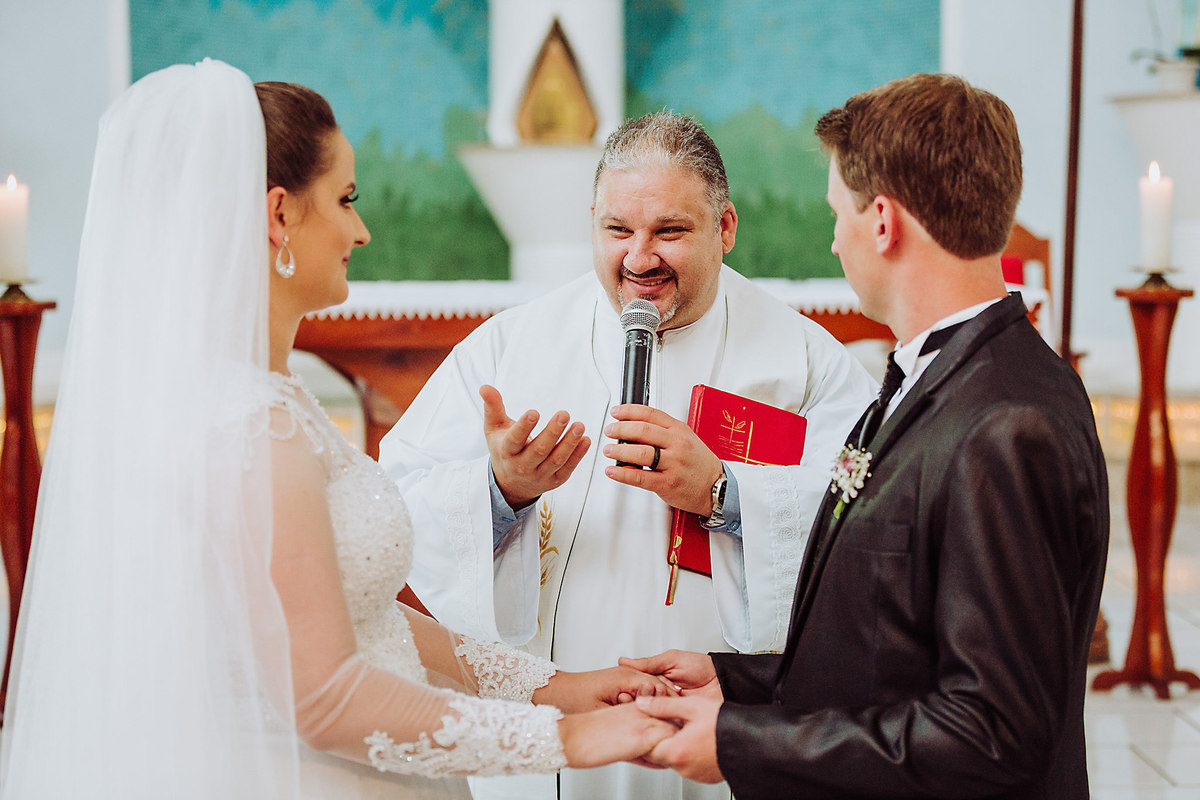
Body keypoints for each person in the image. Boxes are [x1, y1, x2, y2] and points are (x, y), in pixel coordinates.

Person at [0, 59, 677, 800]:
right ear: (279, 215)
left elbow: (361, 612)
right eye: (345, 198)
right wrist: (567, 740)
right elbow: (323, 699)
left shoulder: (264, 400)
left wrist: (560, 688)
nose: (361, 228)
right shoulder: (255, 428)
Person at [627, 73, 1110, 799]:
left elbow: (992, 730)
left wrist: (742, 742)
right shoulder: (939, 375)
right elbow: (893, 643)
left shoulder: (1009, 424)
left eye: (837, 214)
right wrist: (739, 681)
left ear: (881, 222)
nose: (833, 239)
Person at [379, 111, 878, 799]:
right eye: (618, 230)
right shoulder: (509, 348)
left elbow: (873, 528)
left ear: (725, 228)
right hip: (557, 729)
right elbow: (396, 507)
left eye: (670, 231)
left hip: (723, 725)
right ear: (593, 221)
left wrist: (724, 495)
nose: (640, 259)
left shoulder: (802, 360)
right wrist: (501, 491)